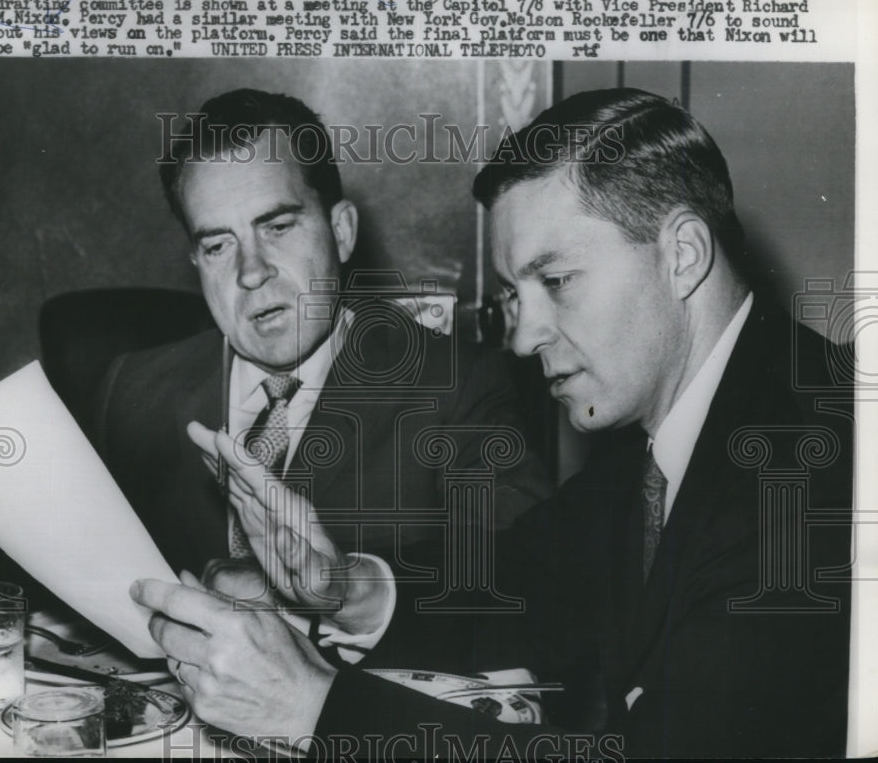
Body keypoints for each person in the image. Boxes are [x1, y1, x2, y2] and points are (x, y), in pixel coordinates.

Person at [131, 88, 853, 758]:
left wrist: (318, 707)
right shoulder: (663, 442)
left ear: (684, 254)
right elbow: (520, 583)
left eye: (557, 281)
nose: (522, 335)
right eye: (515, 292)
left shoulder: (807, 462)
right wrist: (343, 585)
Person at [95, 88, 548, 579]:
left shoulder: (457, 388)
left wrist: (347, 589)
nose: (251, 272)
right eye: (218, 246)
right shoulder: (133, 390)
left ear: (342, 232)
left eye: (279, 227)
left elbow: (521, 582)